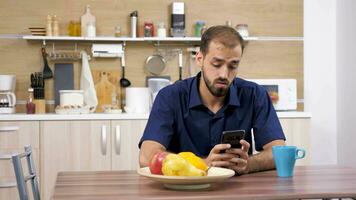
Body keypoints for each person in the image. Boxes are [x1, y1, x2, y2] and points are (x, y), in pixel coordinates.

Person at [139, 25, 286, 175]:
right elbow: (147, 156)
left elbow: (279, 152)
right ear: (199, 59)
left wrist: (249, 164)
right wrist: (203, 164)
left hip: (237, 190)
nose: (224, 74)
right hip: (183, 191)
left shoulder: (255, 94)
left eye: (233, 65)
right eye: (216, 64)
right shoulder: (170, 97)